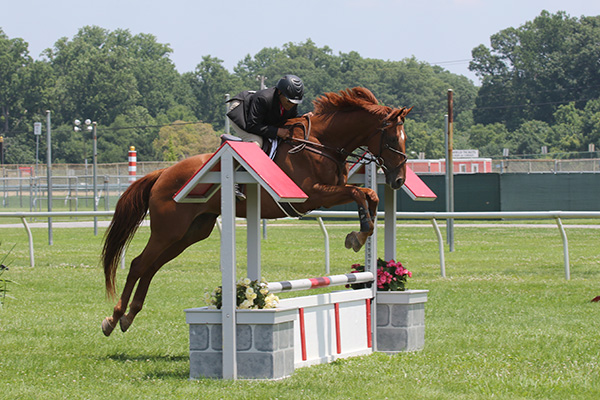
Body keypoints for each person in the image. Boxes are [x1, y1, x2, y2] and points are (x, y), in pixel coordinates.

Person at [226, 74, 306, 151]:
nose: (291, 105)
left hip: (258, 115)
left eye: (295, 103)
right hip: (241, 112)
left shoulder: (291, 100)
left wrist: (303, 119)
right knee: (256, 143)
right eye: (289, 102)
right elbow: (252, 125)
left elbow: (291, 119)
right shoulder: (264, 98)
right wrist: (277, 131)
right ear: (279, 92)